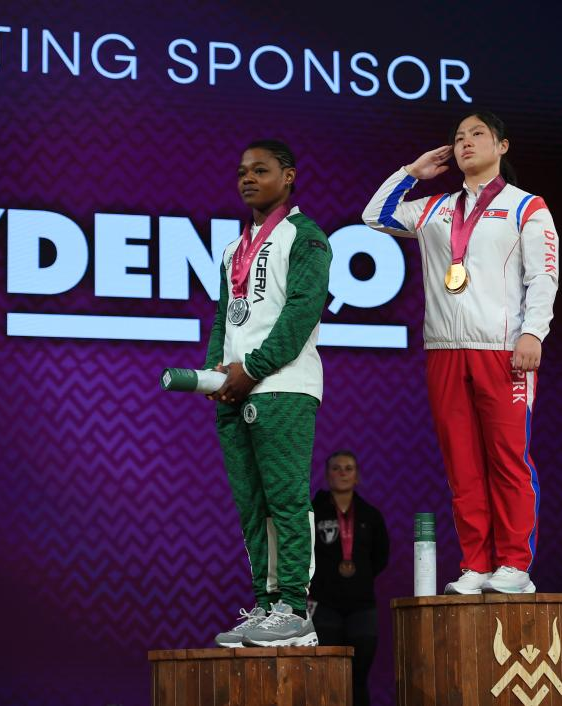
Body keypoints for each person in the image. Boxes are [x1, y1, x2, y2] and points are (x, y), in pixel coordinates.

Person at [362, 110, 559, 594]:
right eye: (458, 137)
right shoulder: (434, 209)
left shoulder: (526, 207)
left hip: (503, 349)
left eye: (477, 134)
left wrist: (533, 333)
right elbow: (374, 215)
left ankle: (514, 563)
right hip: (444, 350)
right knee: (462, 462)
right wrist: (412, 172)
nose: (465, 142)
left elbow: (543, 276)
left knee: (508, 458)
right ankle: (476, 563)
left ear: (502, 146)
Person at [205, 139, 333, 647]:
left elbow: (301, 314)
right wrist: (216, 372)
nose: (247, 179)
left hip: (283, 387)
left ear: (289, 176)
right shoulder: (232, 249)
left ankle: (296, 608)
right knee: (252, 505)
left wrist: (251, 369)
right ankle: (265, 604)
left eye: (260, 170)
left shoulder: (305, 237)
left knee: (286, 499)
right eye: (242, 171)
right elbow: (224, 318)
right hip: (237, 390)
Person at [310, 450, 390, 706]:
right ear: (326, 475)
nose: (342, 473)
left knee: (358, 676)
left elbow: (381, 556)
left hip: (362, 606)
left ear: (357, 477)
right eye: (336, 468)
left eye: (348, 468)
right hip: (325, 605)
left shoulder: (370, 515)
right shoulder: (314, 512)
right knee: (326, 675)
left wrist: (361, 577)